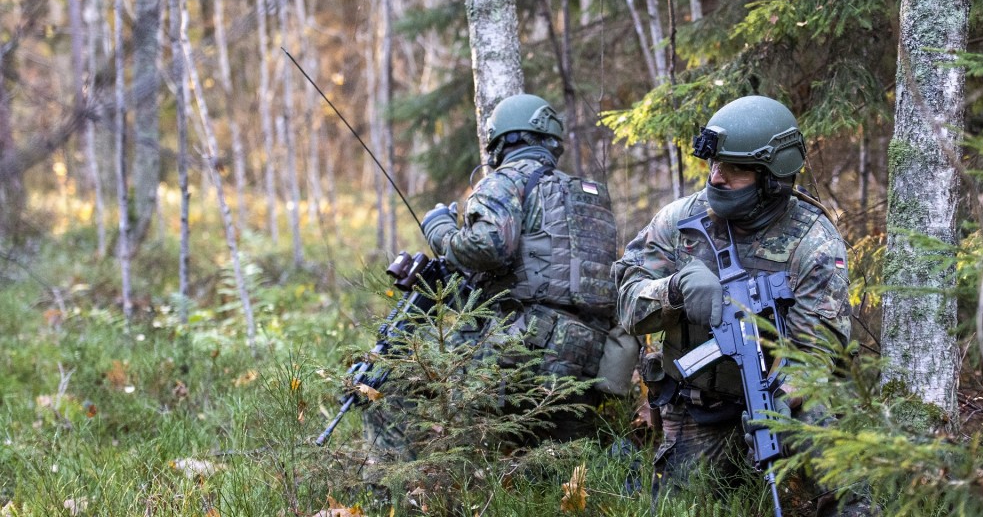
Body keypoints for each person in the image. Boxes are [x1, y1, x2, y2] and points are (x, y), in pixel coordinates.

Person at [612, 95, 870, 516]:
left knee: (835, 465)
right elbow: (626, 302)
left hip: (782, 402)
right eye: (714, 165)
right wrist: (672, 292)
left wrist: (781, 400)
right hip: (699, 405)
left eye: (734, 169)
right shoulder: (679, 222)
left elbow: (816, 351)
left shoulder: (813, 243)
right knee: (676, 507)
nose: (717, 178)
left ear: (772, 177)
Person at [365, 93, 630, 457]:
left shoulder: (507, 180)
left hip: (526, 352)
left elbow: (489, 245)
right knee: (557, 468)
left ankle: (392, 495)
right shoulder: (588, 199)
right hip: (589, 361)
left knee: (392, 384)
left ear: (500, 141)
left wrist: (440, 230)